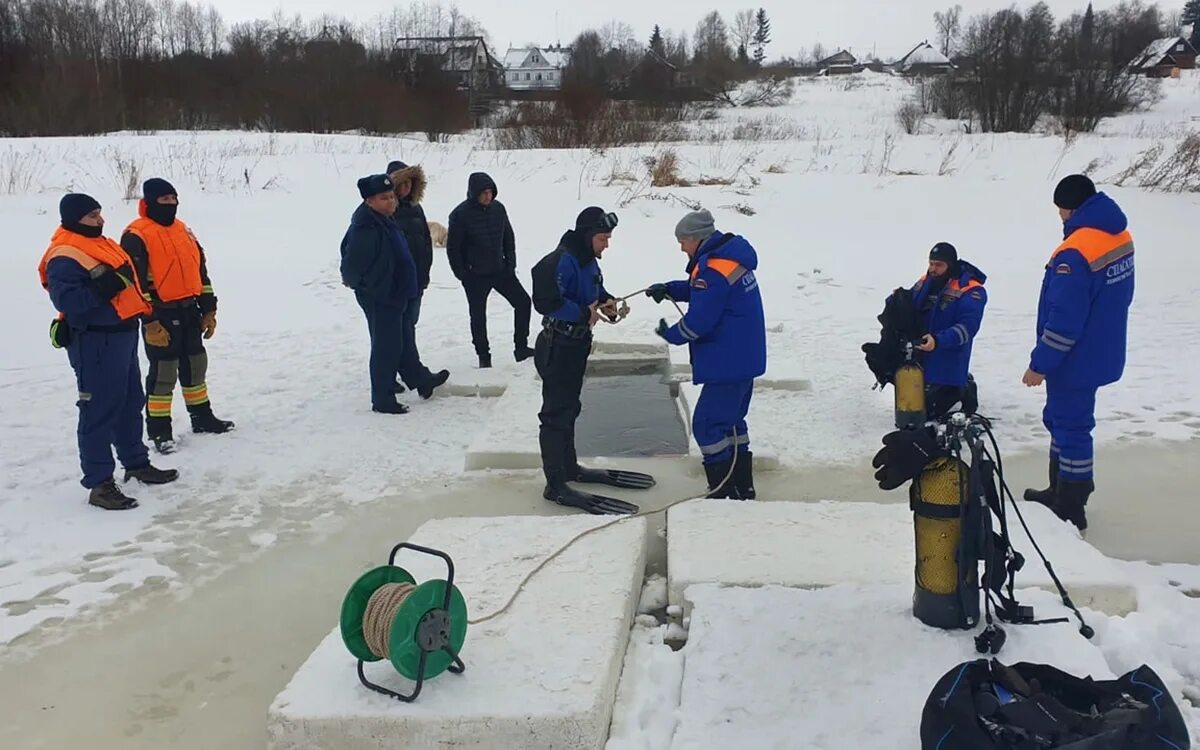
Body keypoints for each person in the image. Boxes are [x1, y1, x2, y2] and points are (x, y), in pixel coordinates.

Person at [38, 193, 179, 510]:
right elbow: (69, 303)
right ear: (74, 219)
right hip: (95, 342)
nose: (100, 220)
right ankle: (100, 484)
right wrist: (109, 284)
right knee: (99, 410)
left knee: (130, 402)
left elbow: (130, 286)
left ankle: (136, 463)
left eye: (99, 214)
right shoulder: (64, 254)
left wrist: (146, 315)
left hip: (122, 336)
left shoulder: (102, 243)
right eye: (91, 216)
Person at [1022, 175, 1135, 532]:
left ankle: (1071, 504)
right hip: (1102, 348)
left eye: (1060, 210)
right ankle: (1059, 490)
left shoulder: (1076, 251)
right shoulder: (1118, 234)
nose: (1060, 217)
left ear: (1070, 207)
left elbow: (1065, 321)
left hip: (1076, 358)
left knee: (1070, 427)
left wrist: (1040, 364)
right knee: (1062, 420)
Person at [530, 207, 651, 515]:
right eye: (602, 238)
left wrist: (606, 303)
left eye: (608, 238)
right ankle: (555, 484)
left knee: (570, 406)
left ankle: (569, 468)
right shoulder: (562, 260)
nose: (606, 245)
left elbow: (593, 289)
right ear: (587, 236)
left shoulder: (587, 259)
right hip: (557, 344)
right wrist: (583, 313)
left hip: (576, 344)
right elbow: (546, 301)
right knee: (556, 413)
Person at [648, 209, 766, 499]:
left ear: (696, 239)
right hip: (743, 358)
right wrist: (671, 289)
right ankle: (742, 486)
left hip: (727, 361)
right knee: (732, 423)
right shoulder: (728, 259)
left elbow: (700, 321)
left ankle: (724, 491)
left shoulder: (712, 269)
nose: (681, 247)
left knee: (708, 426)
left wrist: (670, 334)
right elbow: (705, 291)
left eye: (683, 242)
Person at [120, 178, 234, 453]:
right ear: (149, 202)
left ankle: (202, 418)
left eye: (174, 199)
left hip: (189, 309)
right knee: (164, 373)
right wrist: (150, 322)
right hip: (160, 312)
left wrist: (209, 308)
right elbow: (134, 283)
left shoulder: (184, 231)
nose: (171, 204)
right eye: (164, 200)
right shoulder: (136, 234)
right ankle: (160, 431)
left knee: (196, 365)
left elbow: (200, 271)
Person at [340, 174, 419, 414]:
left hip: (395, 294)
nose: (391, 202)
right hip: (381, 297)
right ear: (369, 201)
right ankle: (383, 399)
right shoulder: (365, 227)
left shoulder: (384, 220)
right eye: (384, 198)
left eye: (392, 197)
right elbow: (351, 268)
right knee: (386, 348)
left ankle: (420, 379)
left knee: (399, 343)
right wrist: (369, 287)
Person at [446, 172, 534, 368]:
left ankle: (521, 347)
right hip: (475, 275)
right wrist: (462, 274)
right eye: (483, 193)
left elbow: (508, 238)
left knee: (523, 302)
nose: (488, 196)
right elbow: (453, 248)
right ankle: (483, 355)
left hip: (500, 270)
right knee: (478, 316)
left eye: (490, 192)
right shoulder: (459, 215)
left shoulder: (499, 209)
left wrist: (510, 263)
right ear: (473, 193)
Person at [385, 160, 449, 399]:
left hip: (416, 280)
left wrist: (425, 274)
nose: (406, 188)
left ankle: (408, 374)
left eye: (410, 184)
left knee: (408, 326)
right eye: (402, 184)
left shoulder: (416, 209)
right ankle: (396, 377)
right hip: (395, 284)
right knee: (396, 332)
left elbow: (424, 242)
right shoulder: (387, 210)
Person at [910, 242, 987, 418]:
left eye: (938, 265)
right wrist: (896, 299)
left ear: (950, 265)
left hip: (947, 361)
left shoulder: (972, 290)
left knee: (929, 412)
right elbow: (909, 302)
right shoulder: (925, 282)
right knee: (910, 408)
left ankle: (964, 387)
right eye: (931, 263)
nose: (932, 269)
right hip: (922, 356)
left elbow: (968, 328)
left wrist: (938, 341)